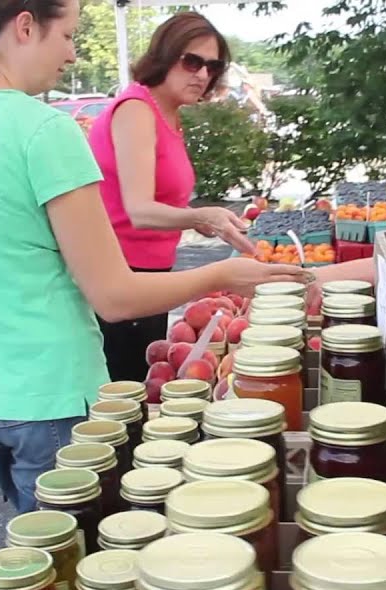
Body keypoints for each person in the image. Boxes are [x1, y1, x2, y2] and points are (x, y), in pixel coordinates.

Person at [0, 0, 304, 513]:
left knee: (35, 561)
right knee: (77, 574)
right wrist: (222, 274)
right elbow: (113, 296)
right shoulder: (43, 130)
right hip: (51, 398)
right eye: (67, 35)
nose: (71, 55)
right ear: (25, 26)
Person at [88, 12, 253, 382]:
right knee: (126, 394)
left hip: (147, 276)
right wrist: (200, 217)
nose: (202, 74)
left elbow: (160, 203)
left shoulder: (166, 114)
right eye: (192, 61)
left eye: (213, 66)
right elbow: (139, 210)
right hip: (123, 278)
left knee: (140, 387)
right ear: (164, 55)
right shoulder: (136, 110)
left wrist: (205, 219)